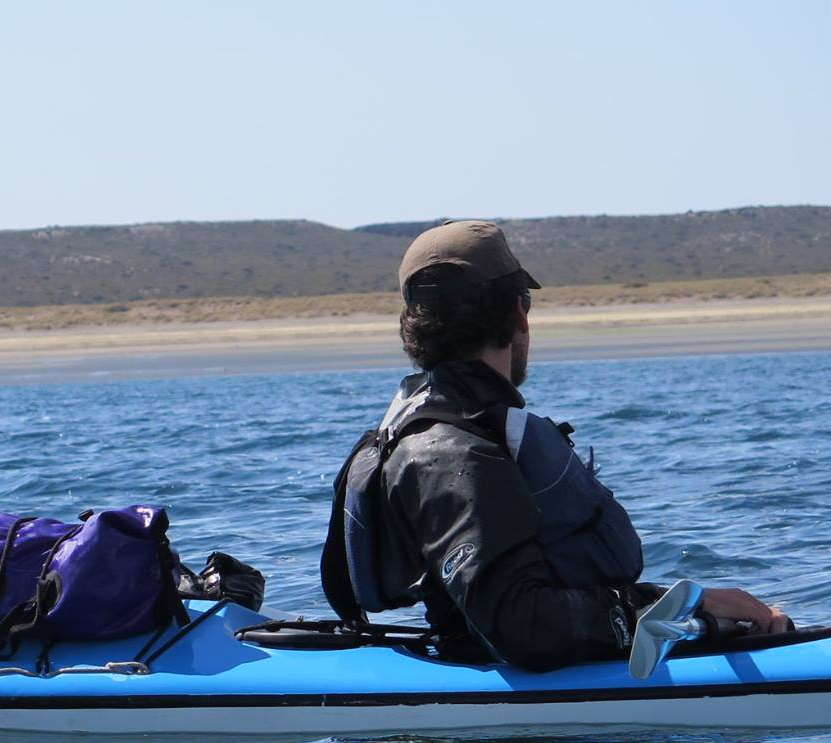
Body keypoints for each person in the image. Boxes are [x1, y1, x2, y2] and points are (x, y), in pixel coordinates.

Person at [324, 220, 788, 670]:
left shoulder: (457, 433)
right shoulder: (451, 452)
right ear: (517, 313)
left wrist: (669, 606)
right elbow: (525, 628)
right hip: (510, 702)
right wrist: (686, 610)